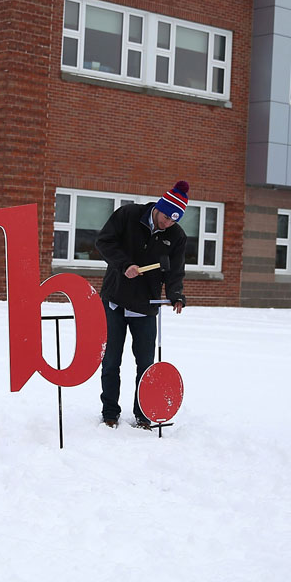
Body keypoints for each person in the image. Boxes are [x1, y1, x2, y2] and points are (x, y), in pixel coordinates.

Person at [95, 181, 188, 429]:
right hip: (114, 300)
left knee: (145, 364)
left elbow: (175, 271)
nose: (167, 224)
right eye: (166, 217)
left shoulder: (176, 237)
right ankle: (110, 413)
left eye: (173, 221)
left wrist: (176, 293)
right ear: (159, 206)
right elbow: (104, 242)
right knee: (111, 360)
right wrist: (124, 265)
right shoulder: (128, 215)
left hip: (145, 306)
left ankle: (143, 414)